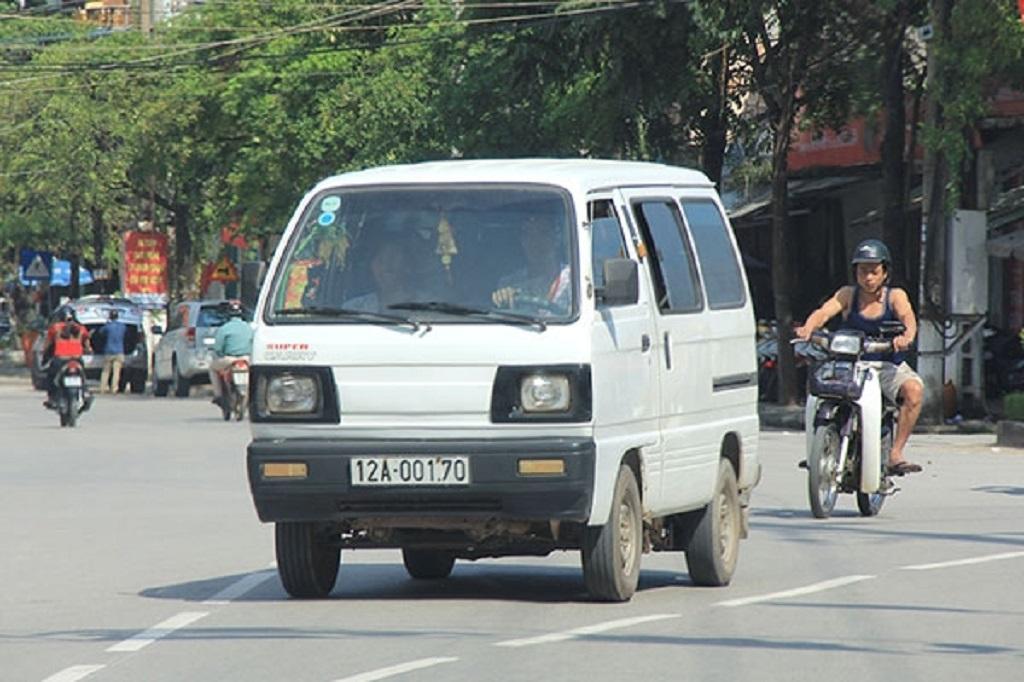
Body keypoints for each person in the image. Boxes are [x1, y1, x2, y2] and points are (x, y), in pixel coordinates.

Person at [795, 238, 924, 475]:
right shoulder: (847, 295)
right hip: (848, 364)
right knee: (817, 392)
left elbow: (908, 318)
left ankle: (895, 453)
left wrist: (906, 336)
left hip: (885, 364)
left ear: (885, 273)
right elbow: (824, 312)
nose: (868, 277)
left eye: (874, 271)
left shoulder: (895, 296)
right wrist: (808, 328)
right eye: (863, 271)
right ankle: (818, 447)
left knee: (914, 391)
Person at [491, 214, 570, 312]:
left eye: (543, 233)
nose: (536, 241)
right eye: (528, 234)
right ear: (522, 241)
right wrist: (502, 300)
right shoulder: (510, 283)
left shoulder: (573, 280)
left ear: (556, 238)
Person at [343, 239, 417, 312]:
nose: (386, 267)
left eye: (393, 258)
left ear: (408, 266)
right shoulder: (353, 309)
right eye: (381, 260)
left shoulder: (424, 307)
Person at [42, 308, 93, 408]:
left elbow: (47, 345)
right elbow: (88, 346)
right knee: (83, 376)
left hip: (61, 358)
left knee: (51, 376)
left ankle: (51, 398)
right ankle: (85, 392)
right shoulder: (81, 329)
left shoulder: (55, 328)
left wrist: (45, 354)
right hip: (77, 358)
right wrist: (87, 350)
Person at [208, 301, 253, 408]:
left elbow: (218, 348)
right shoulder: (249, 328)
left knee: (212, 368)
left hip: (229, 359)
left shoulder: (224, 329)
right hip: (248, 359)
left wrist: (219, 352)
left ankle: (218, 395)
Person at [97, 309, 127, 393]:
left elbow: (101, 333)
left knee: (106, 371)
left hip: (108, 351)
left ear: (110, 316)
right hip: (119, 351)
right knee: (116, 372)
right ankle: (114, 389)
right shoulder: (122, 326)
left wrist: (107, 322)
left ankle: (102, 388)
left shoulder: (107, 327)